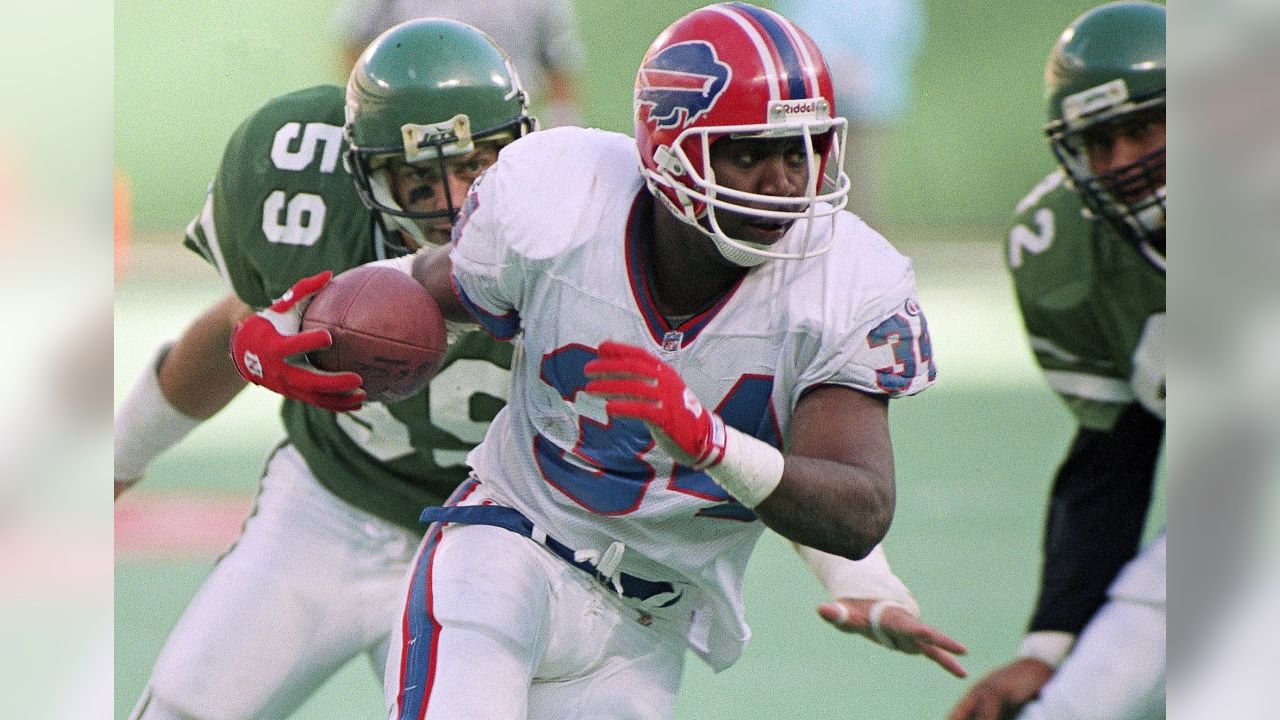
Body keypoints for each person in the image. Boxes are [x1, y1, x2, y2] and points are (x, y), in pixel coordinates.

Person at [231, 4, 968, 718]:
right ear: (671, 151)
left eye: (802, 149)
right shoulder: (563, 201)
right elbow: (424, 285)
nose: (786, 182)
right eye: (749, 153)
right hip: (508, 549)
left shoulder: (849, 278)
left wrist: (713, 444)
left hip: (644, 626)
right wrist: (286, 320)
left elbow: (859, 504)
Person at [114, 19, 535, 719]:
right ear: (366, 174)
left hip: (500, 534)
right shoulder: (297, 185)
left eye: (474, 166)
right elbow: (231, 322)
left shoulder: (570, 223)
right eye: (419, 179)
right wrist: (119, 459)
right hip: (333, 504)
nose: (455, 201)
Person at [948, 3, 1166, 719]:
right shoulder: (1062, 250)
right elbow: (1115, 448)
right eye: (1099, 141)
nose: (1122, 165)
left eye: (1141, 129)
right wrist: (1050, 648)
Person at [773, 0, 925, 224]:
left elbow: (905, 33)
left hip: (868, 110)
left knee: (858, 194)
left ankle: (858, 252)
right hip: (816, 108)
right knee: (812, 193)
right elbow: (793, 33)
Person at [330, 0, 587, 127]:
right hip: (419, 122)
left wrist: (562, 126)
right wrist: (380, 111)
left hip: (506, 126)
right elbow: (354, 45)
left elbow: (558, 63)